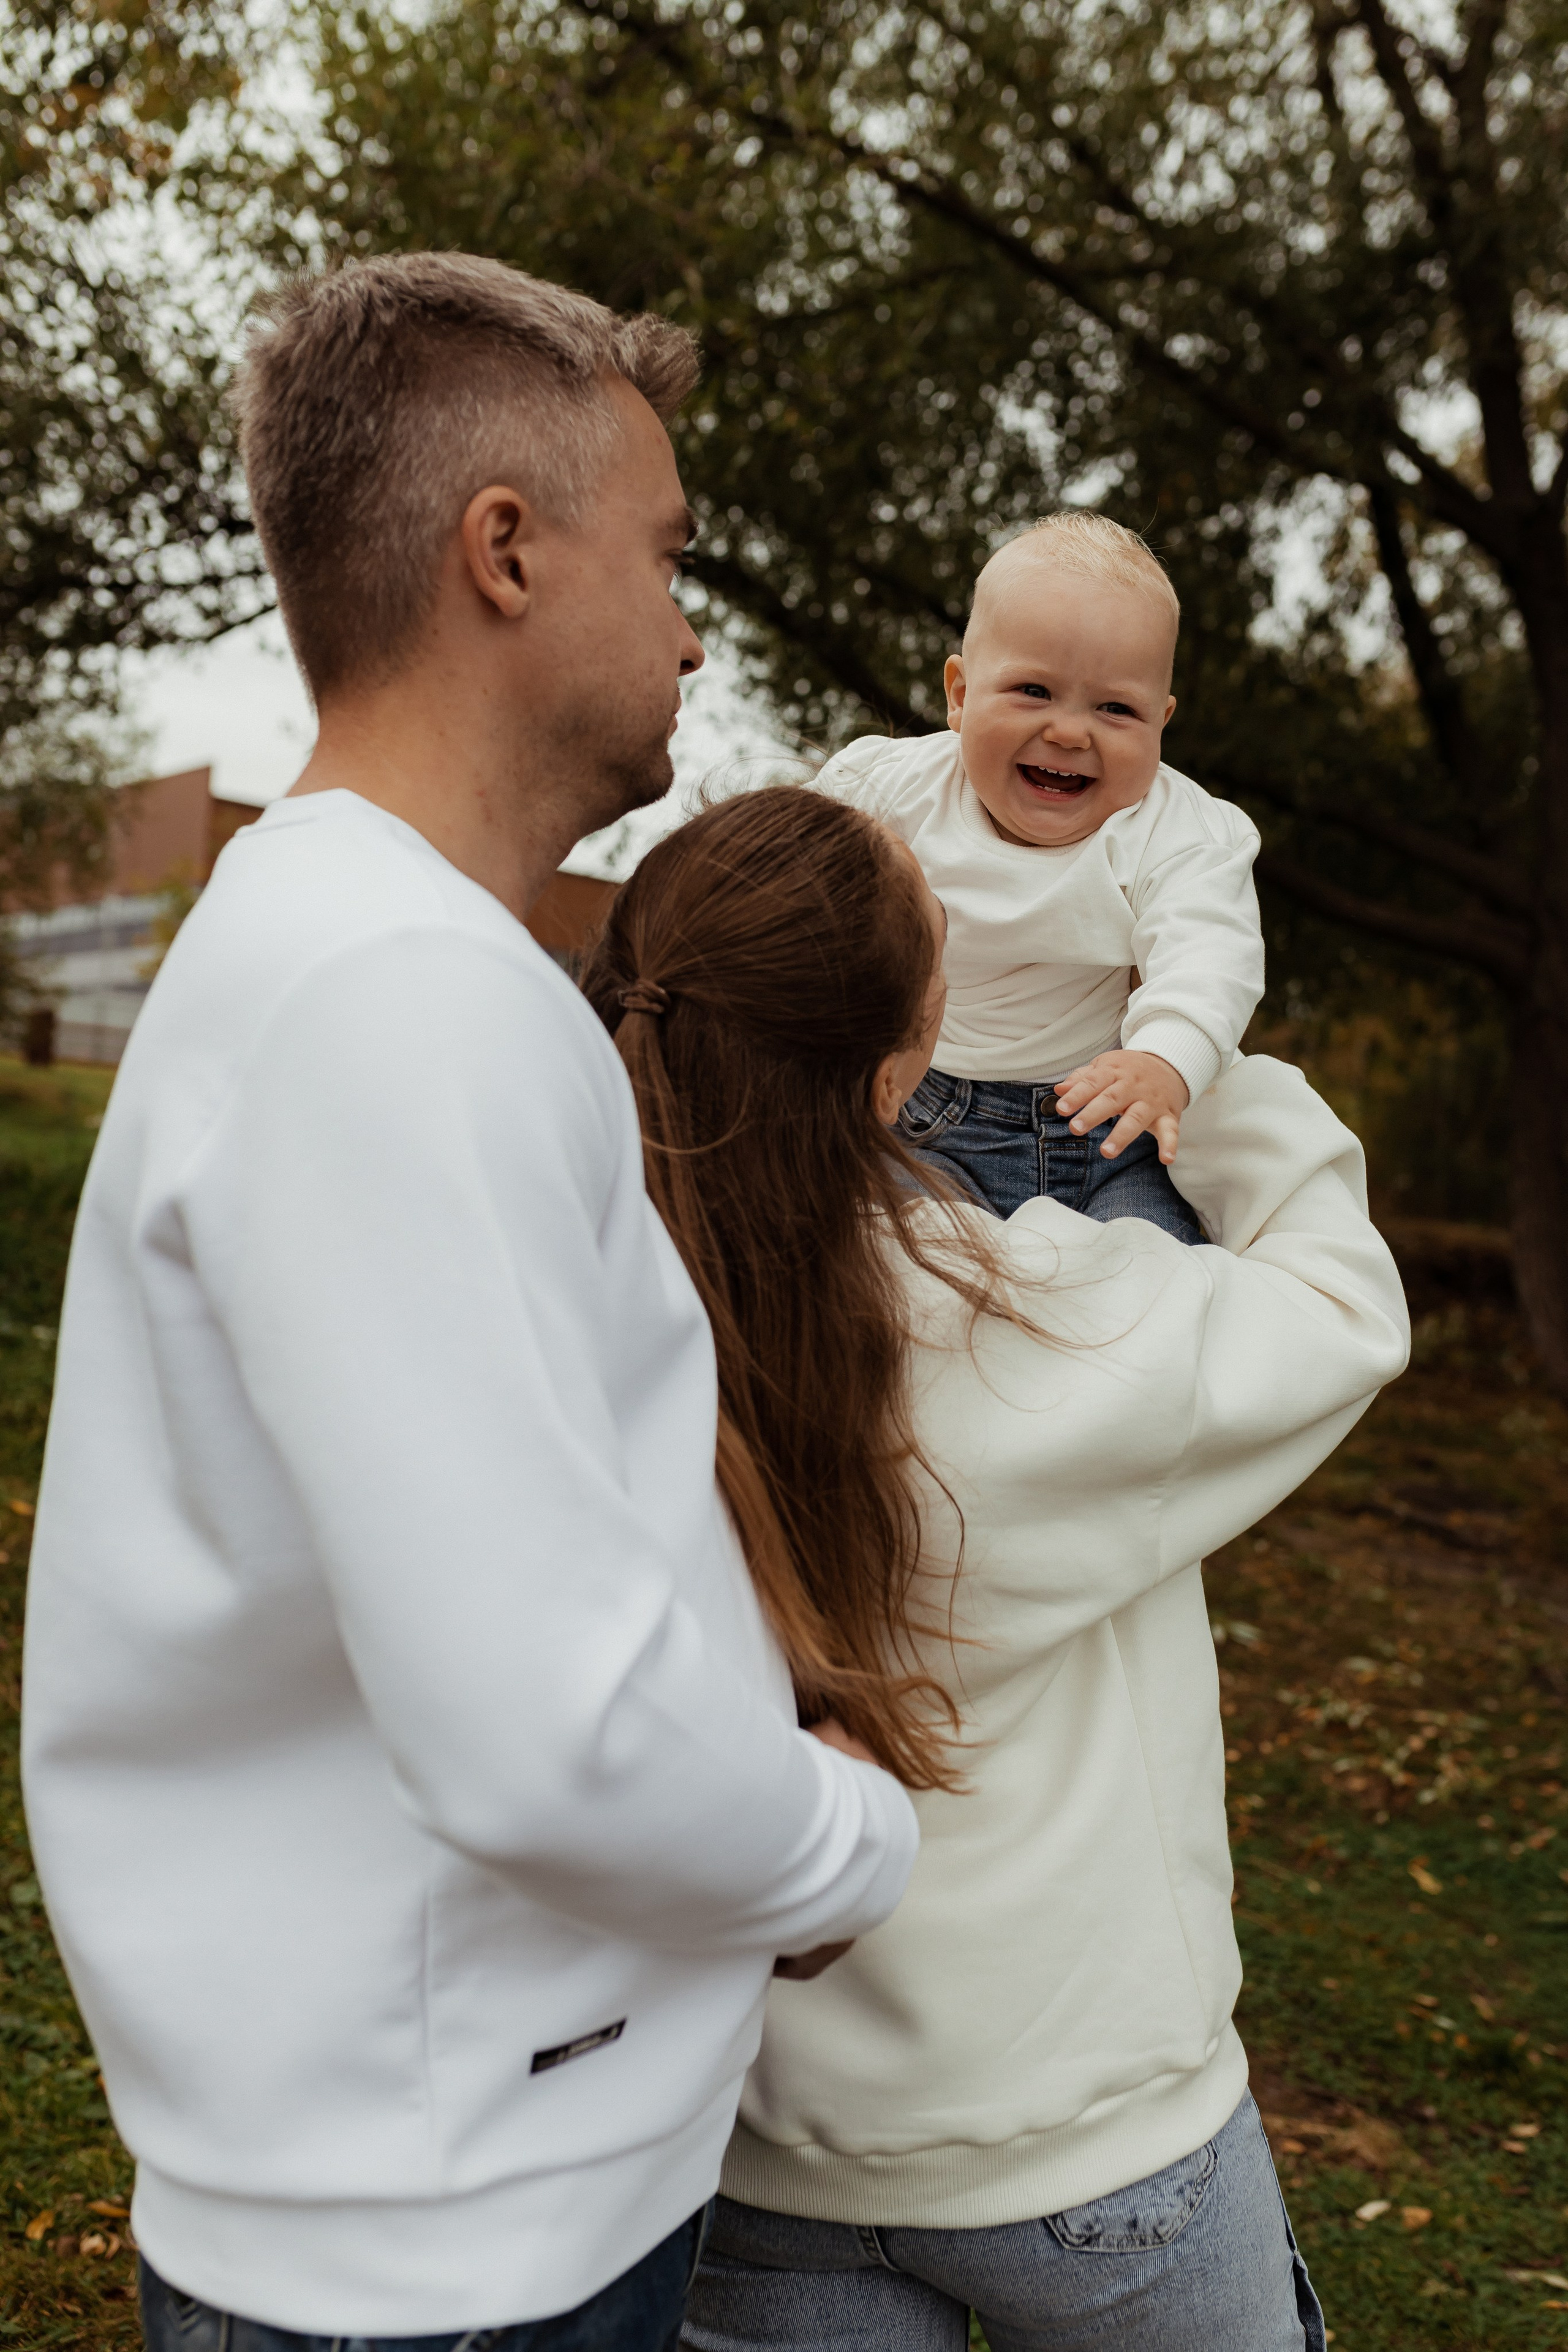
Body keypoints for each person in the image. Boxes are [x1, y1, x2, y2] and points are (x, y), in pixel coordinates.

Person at [20, 256, 919, 2352]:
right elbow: (550, 1739)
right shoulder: (396, 996)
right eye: (674, 554)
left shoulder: (367, 954)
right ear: (503, 553)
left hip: (451, 2179)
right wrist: (844, 1844)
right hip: (443, 2252)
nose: (696, 628)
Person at [580, 784, 1410, 2352]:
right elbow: (1338, 1307)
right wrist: (1178, 1052)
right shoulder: (1027, 1315)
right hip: (1084, 2128)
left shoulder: (576, 1324)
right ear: (900, 1065)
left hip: (753, 2142)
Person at [812, 511, 1264, 1238]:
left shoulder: (1176, 831)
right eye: (1032, 691)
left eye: (1116, 708)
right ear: (959, 695)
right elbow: (791, 873)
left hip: (1108, 1126)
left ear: (1162, 723)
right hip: (918, 1112)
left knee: (1154, 1274)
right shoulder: (894, 789)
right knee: (899, 1259)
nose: (1069, 732)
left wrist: (1164, 1059)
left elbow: (1209, 957)